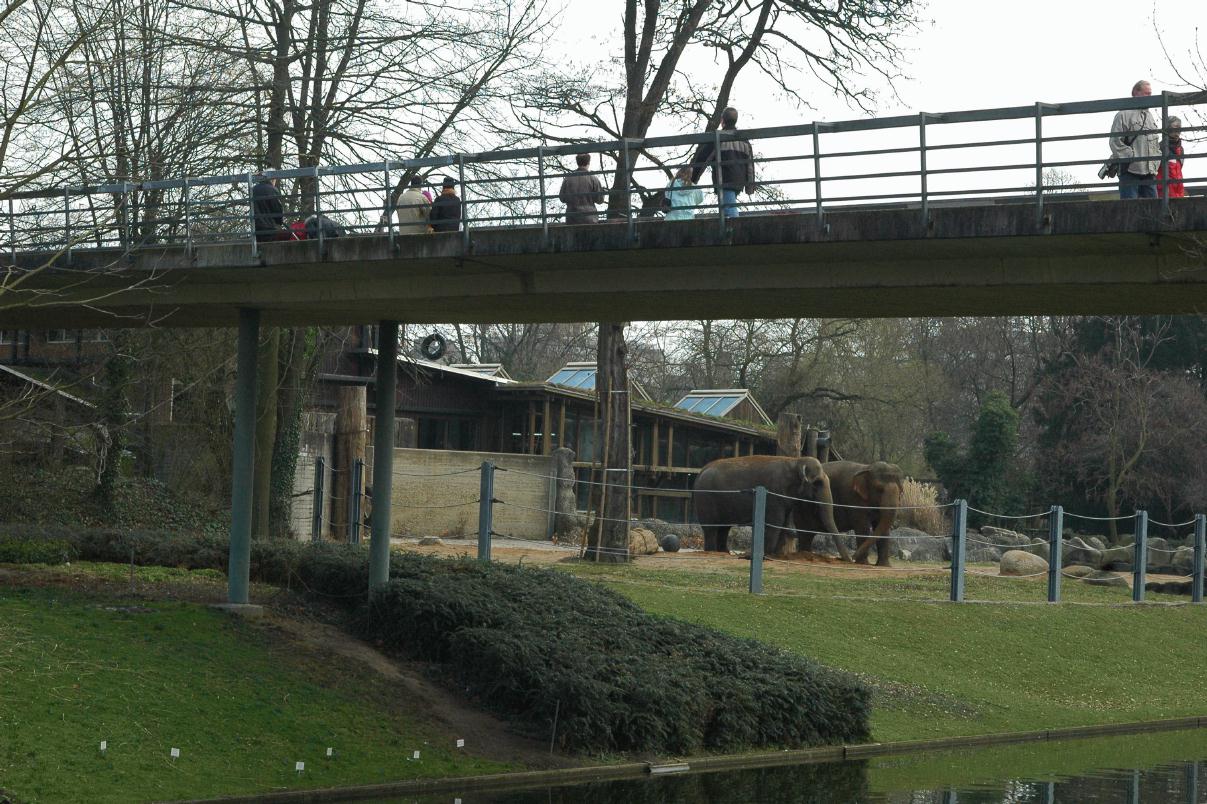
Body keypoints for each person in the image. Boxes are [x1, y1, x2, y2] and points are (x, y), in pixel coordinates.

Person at [690, 107, 756, 218]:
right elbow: (750, 166)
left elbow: (702, 160)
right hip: (739, 180)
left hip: (724, 180)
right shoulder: (745, 141)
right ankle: (728, 228)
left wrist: (692, 180)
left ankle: (736, 229)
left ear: (722, 121)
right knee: (726, 209)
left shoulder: (718, 138)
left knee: (729, 209)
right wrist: (750, 186)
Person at [1109, 80, 1160, 200]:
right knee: (1130, 211)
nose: (1149, 97)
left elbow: (1155, 142)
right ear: (1135, 93)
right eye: (1146, 93)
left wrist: (1156, 160)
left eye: (1150, 94)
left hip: (1149, 172)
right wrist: (1131, 157)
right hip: (1129, 171)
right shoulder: (1123, 115)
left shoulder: (1150, 116)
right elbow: (1115, 141)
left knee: (1154, 210)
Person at [558, 153, 604, 224]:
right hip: (590, 219)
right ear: (588, 162)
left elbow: (562, 198)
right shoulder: (593, 179)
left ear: (577, 163)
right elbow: (600, 200)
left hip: (572, 219)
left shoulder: (567, 179)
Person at [1157, 115, 1186, 199]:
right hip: (1164, 193)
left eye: (1179, 128)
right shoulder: (1160, 148)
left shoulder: (1181, 150)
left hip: (1179, 193)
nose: (1177, 131)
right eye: (1175, 128)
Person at [251, 176, 285, 242]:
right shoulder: (272, 189)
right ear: (273, 179)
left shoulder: (253, 189)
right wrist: (279, 220)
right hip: (269, 227)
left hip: (256, 226)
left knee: (258, 248)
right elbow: (277, 208)